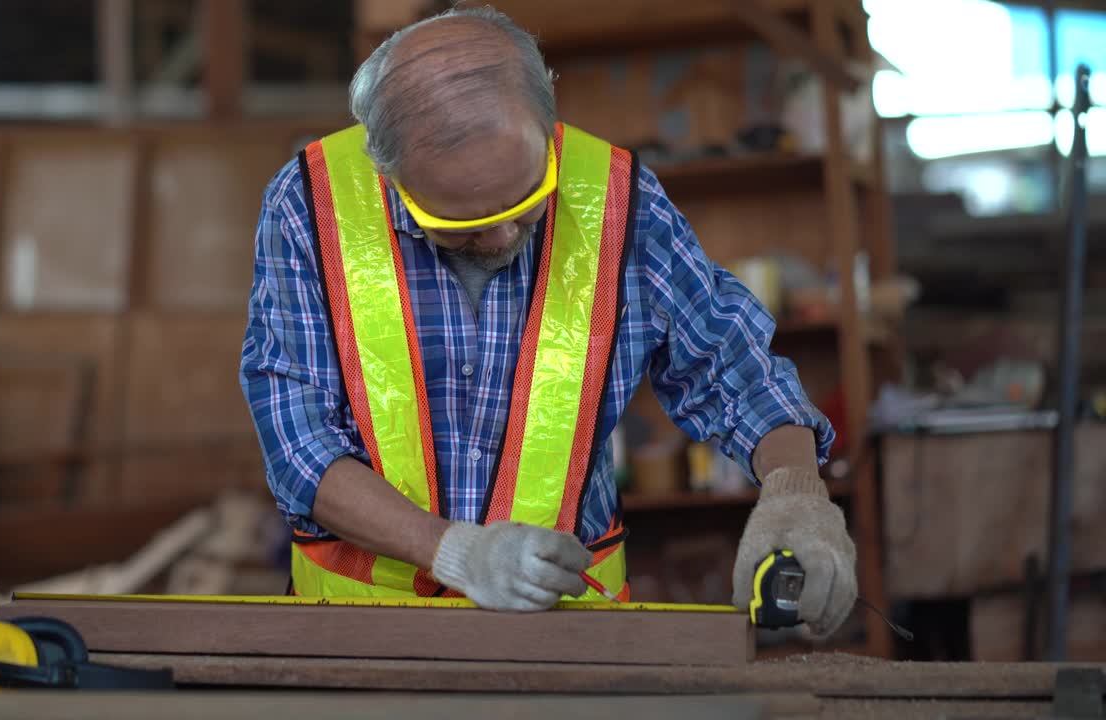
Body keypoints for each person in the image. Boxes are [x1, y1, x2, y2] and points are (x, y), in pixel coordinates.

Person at [240, 6, 857, 638]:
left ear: (546, 122)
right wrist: (454, 551)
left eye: (528, 202)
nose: (506, 234)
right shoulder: (310, 207)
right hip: (360, 635)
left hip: (572, 632)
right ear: (389, 175)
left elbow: (731, 363)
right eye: (464, 224)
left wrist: (795, 490)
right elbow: (299, 444)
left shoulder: (620, 201)